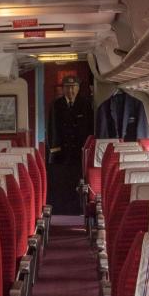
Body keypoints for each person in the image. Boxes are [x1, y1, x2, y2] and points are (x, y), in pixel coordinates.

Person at [47, 76, 93, 215]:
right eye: (67, 87)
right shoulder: (56, 105)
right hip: (61, 152)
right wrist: (54, 151)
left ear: (78, 88)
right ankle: (62, 210)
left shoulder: (85, 104)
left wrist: (87, 151)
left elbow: (90, 130)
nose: (70, 90)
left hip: (79, 153)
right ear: (63, 89)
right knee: (61, 182)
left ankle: (76, 209)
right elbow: (51, 128)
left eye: (73, 87)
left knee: (77, 182)